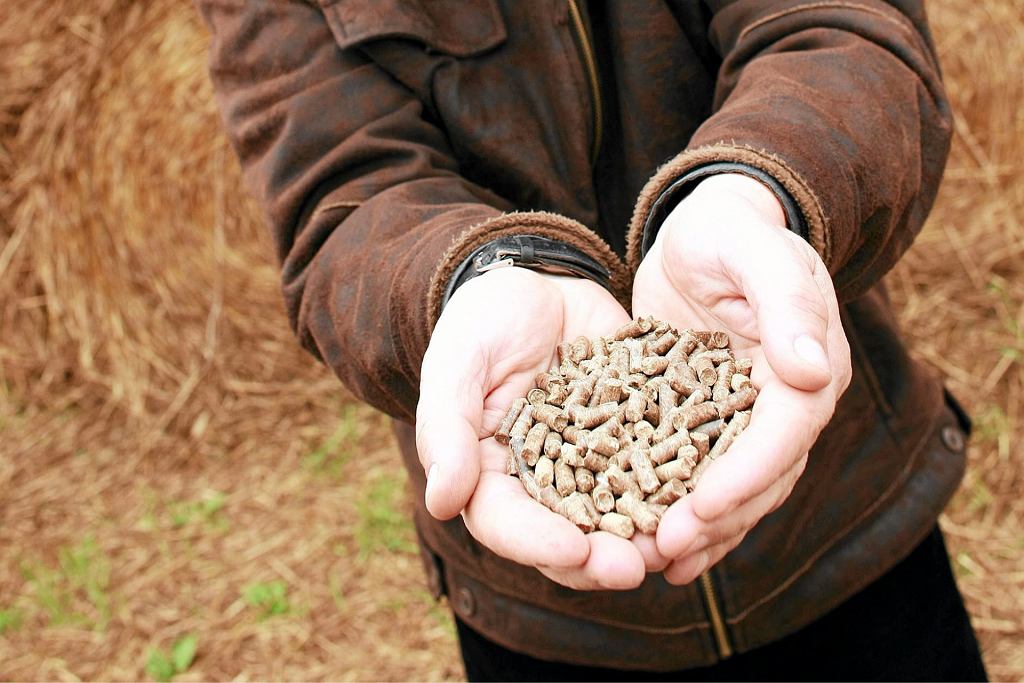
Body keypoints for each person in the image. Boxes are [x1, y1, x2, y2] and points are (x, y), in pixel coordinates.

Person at [198, 1, 987, 679]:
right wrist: (477, 272)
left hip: (848, 523)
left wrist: (756, 189)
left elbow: (843, 28)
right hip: (543, 613)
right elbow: (339, 190)